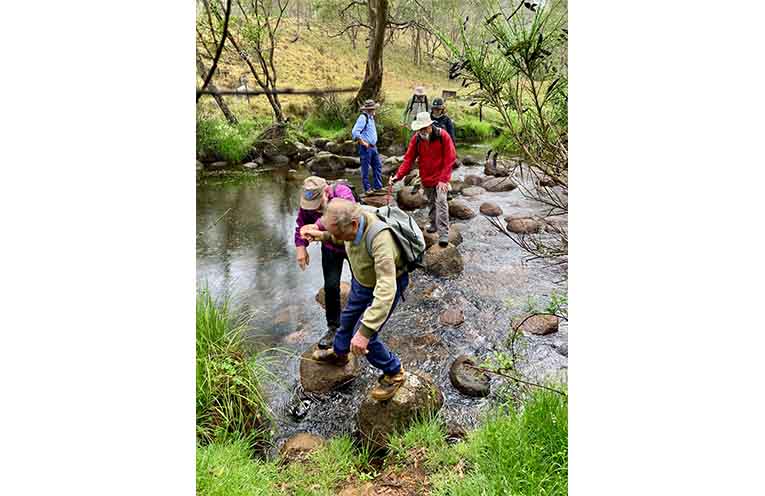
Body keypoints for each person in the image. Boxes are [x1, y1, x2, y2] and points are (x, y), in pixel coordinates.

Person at [300, 199, 408, 401]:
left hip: (386, 284)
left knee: (365, 335)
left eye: (337, 232)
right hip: (362, 281)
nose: (337, 237)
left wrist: (365, 331)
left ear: (354, 225)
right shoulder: (350, 226)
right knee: (347, 319)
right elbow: (343, 239)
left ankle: (395, 371)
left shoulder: (380, 238)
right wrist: (322, 236)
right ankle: (340, 353)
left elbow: (386, 288)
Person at [294, 176, 356, 349]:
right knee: (330, 287)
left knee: (360, 286)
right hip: (330, 248)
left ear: (326, 192)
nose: (312, 207)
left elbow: (346, 214)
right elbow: (301, 224)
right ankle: (333, 328)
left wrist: (316, 226)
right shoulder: (308, 202)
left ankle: (363, 325)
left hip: (353, 247)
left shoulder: (343, 193)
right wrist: (301, 246)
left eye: (317, 202)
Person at [391, 112, 457, 247]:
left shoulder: (443, 135)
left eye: (423, 128)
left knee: (441, 201)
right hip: (426, 176)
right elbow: (408, 160)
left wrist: (444, 179)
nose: (421, 131)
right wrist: (398, 176)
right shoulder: (416, 139)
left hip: (441, 177)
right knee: (432, 201)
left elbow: (450, 158)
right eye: (419, 129)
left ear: (429, 126)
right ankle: (433, 223)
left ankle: (444, 234)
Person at [351, 99, 383, 195]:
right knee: (365, 169)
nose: (374, 111)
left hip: (373, 147)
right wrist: (363, 142)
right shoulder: (363, 117)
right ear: (369, 110)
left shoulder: (371, 118)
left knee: (377, 166)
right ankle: (367, 189)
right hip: (366, 148)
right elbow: (355, 132)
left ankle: (378, 187)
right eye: (373, 109)